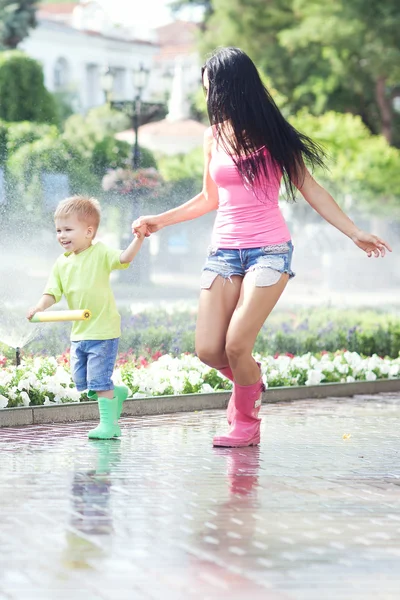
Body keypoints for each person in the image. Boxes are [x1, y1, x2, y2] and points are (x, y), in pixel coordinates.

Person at [132, 47, 392, 449]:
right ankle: (252, 379)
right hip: (223, 252)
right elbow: (208, 198)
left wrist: (353, 232)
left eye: (209, 89)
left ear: (228, 88)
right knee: (207, 350)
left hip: (269, 251)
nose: (207, 98)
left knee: (236, 345)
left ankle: (246, 423)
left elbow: (310, 188)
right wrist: (158, 221)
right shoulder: (212, 136)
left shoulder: (274, 135)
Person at [27, 195, 146, 439]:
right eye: (58, 230)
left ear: (89, 232)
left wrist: (139, 239)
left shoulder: (100, 252)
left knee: (99, 381)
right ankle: (116, 393)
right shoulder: (61, 263)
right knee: (82, 380)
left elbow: (124, 258)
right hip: (80, 333)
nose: (62, 235)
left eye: (68, 229)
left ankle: (109, 425)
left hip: (103, 330)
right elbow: (52, 292)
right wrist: (40, 307)